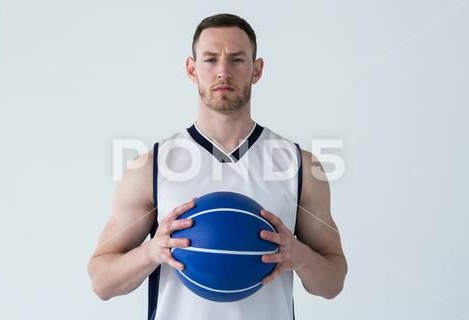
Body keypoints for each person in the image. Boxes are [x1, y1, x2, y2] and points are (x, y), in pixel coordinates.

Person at [87, 13, 347, 320]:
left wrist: (298, 255)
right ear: (191, 69)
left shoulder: (300, 165)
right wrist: (152, 252)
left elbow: (333, 282)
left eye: (237, 59)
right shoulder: (151, 167)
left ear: (257, 69)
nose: (223, 72)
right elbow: (101, 281)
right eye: (210, 59)